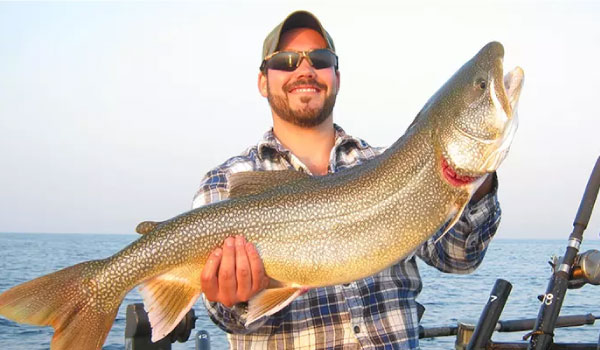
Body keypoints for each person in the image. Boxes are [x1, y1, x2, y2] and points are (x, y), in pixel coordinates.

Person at [192, 10, 500, 349]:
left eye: (320, 59)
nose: (305, 70)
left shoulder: (391, 166)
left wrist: (472, 178)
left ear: (337, 76)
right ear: (263, 81)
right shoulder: (223, 183)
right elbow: (227, 317)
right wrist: (233, 298)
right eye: (286, 61)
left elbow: (459, 257)